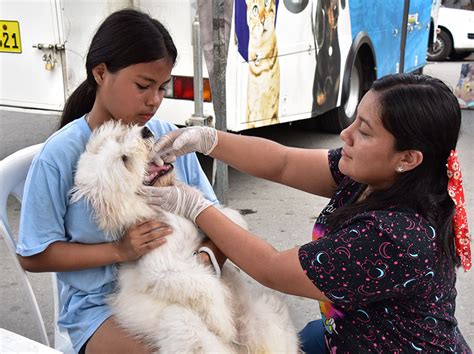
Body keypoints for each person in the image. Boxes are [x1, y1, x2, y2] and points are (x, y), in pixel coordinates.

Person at [146, 73, 471, 353]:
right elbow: (283, 163)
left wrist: (195, 205)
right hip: (349, 334)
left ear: (408, 158)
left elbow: (271, 268)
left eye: (365, 131)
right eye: (355, 119)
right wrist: (208, 139)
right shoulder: (371, 177)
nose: (347, 134)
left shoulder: (393, 236)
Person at [16, 9, 222, 354]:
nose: (155, 100)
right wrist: (118, 251)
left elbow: (216, 222)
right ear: (100, 73)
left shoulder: (167, 139)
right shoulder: (61, 154)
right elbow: (34, 255)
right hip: (101, 308)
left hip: (179, 288)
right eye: (143, 86)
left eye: (162, 88)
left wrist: (203, 260)